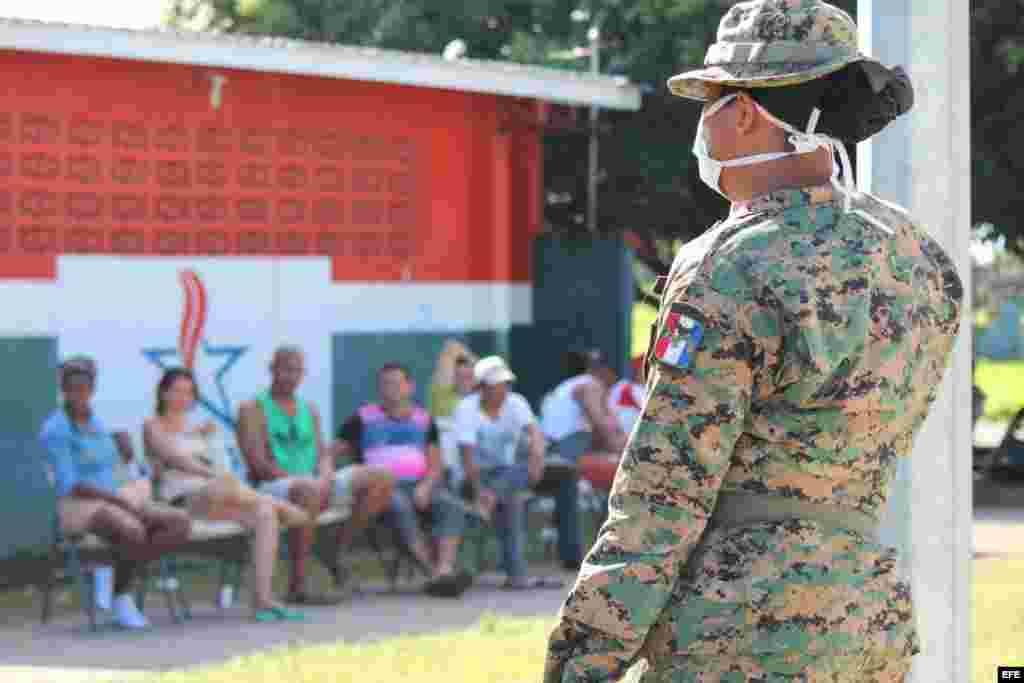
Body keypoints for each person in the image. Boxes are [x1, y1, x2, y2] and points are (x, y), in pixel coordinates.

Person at [544, 2, 959, 682]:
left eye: (709, 102)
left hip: (740, 631)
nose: (701, 124)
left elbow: (664, 491)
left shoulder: (730, 265)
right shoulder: (918, 257)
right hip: (867, 624)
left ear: (742, 113)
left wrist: (585, 656)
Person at [144, 367, 311, 621]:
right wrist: (212, 474)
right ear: (163, 393)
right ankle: (280, 504)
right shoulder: (152, 426)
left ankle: (263, 601)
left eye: (188, 392)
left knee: (265, 514)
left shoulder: (200, 428)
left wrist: (212, 442)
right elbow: (176, 459)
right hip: (181, 502)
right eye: (177, 391)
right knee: (228, 486)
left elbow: (222, 466)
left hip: (217, 500)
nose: (183, 397)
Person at [40, 359, 191, 629]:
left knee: (178, 522)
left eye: (84, 388)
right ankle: (121, 597)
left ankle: (118, 570)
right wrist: (117, 499)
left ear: (92, 389)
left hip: (113, 497)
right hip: (78, 504)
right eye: (72, 389)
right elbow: (71, 484)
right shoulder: (55, 429)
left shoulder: (96, 421)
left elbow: (112, 465)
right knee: (132, 530)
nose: (79, 395)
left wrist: (125, 453)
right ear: (63, 390)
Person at [236, 346, 394, 605]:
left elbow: (323, 454)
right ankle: (298, 586)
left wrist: (326, 475)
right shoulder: (252, 408)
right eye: (286, 369)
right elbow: (258, 465)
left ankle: (336, 548)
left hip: (313, 483)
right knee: (308, 489)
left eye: (297, 371)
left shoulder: (309, 408)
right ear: (272, 369)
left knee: (381, 478)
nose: (291, 376)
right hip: (272, 487)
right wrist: (310, 481)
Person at [335, 362, 470, 597]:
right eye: (385, 384)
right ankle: (432, 574)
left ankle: (444, 569)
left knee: (452, 505)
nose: (391, 388)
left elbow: (435, 464)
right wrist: (328, 470)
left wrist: (426, 486)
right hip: (382, 488)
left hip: (419, 485)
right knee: (399, 506)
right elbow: (333, 450)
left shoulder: (424, 420)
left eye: (397, 383)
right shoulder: (362, 417)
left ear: (410, 387)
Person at [454, 356, 564, 590]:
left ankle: (485, 511)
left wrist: (537, 458)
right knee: (511, 499)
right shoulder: (466, 408)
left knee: (517, 476)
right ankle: (517, 575)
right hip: (475, 476)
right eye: (496, 385)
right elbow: (467, 459)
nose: (503, 390)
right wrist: (479, 490)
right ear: (482, 387)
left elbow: (536, 435)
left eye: (505, 384)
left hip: (509, 474)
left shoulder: (516, 402)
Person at [541, 349, 628, 493]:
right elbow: (602, 425)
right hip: (566, 448)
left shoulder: (565, 386)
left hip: (551, 448)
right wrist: (629, 454)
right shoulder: (589, 384)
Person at [427, 340, 478, 420]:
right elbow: (451, 347)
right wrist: (468, 357)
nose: (466, 380)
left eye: (469, 376)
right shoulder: (442, 396)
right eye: (460, 376)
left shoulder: (481, 399)